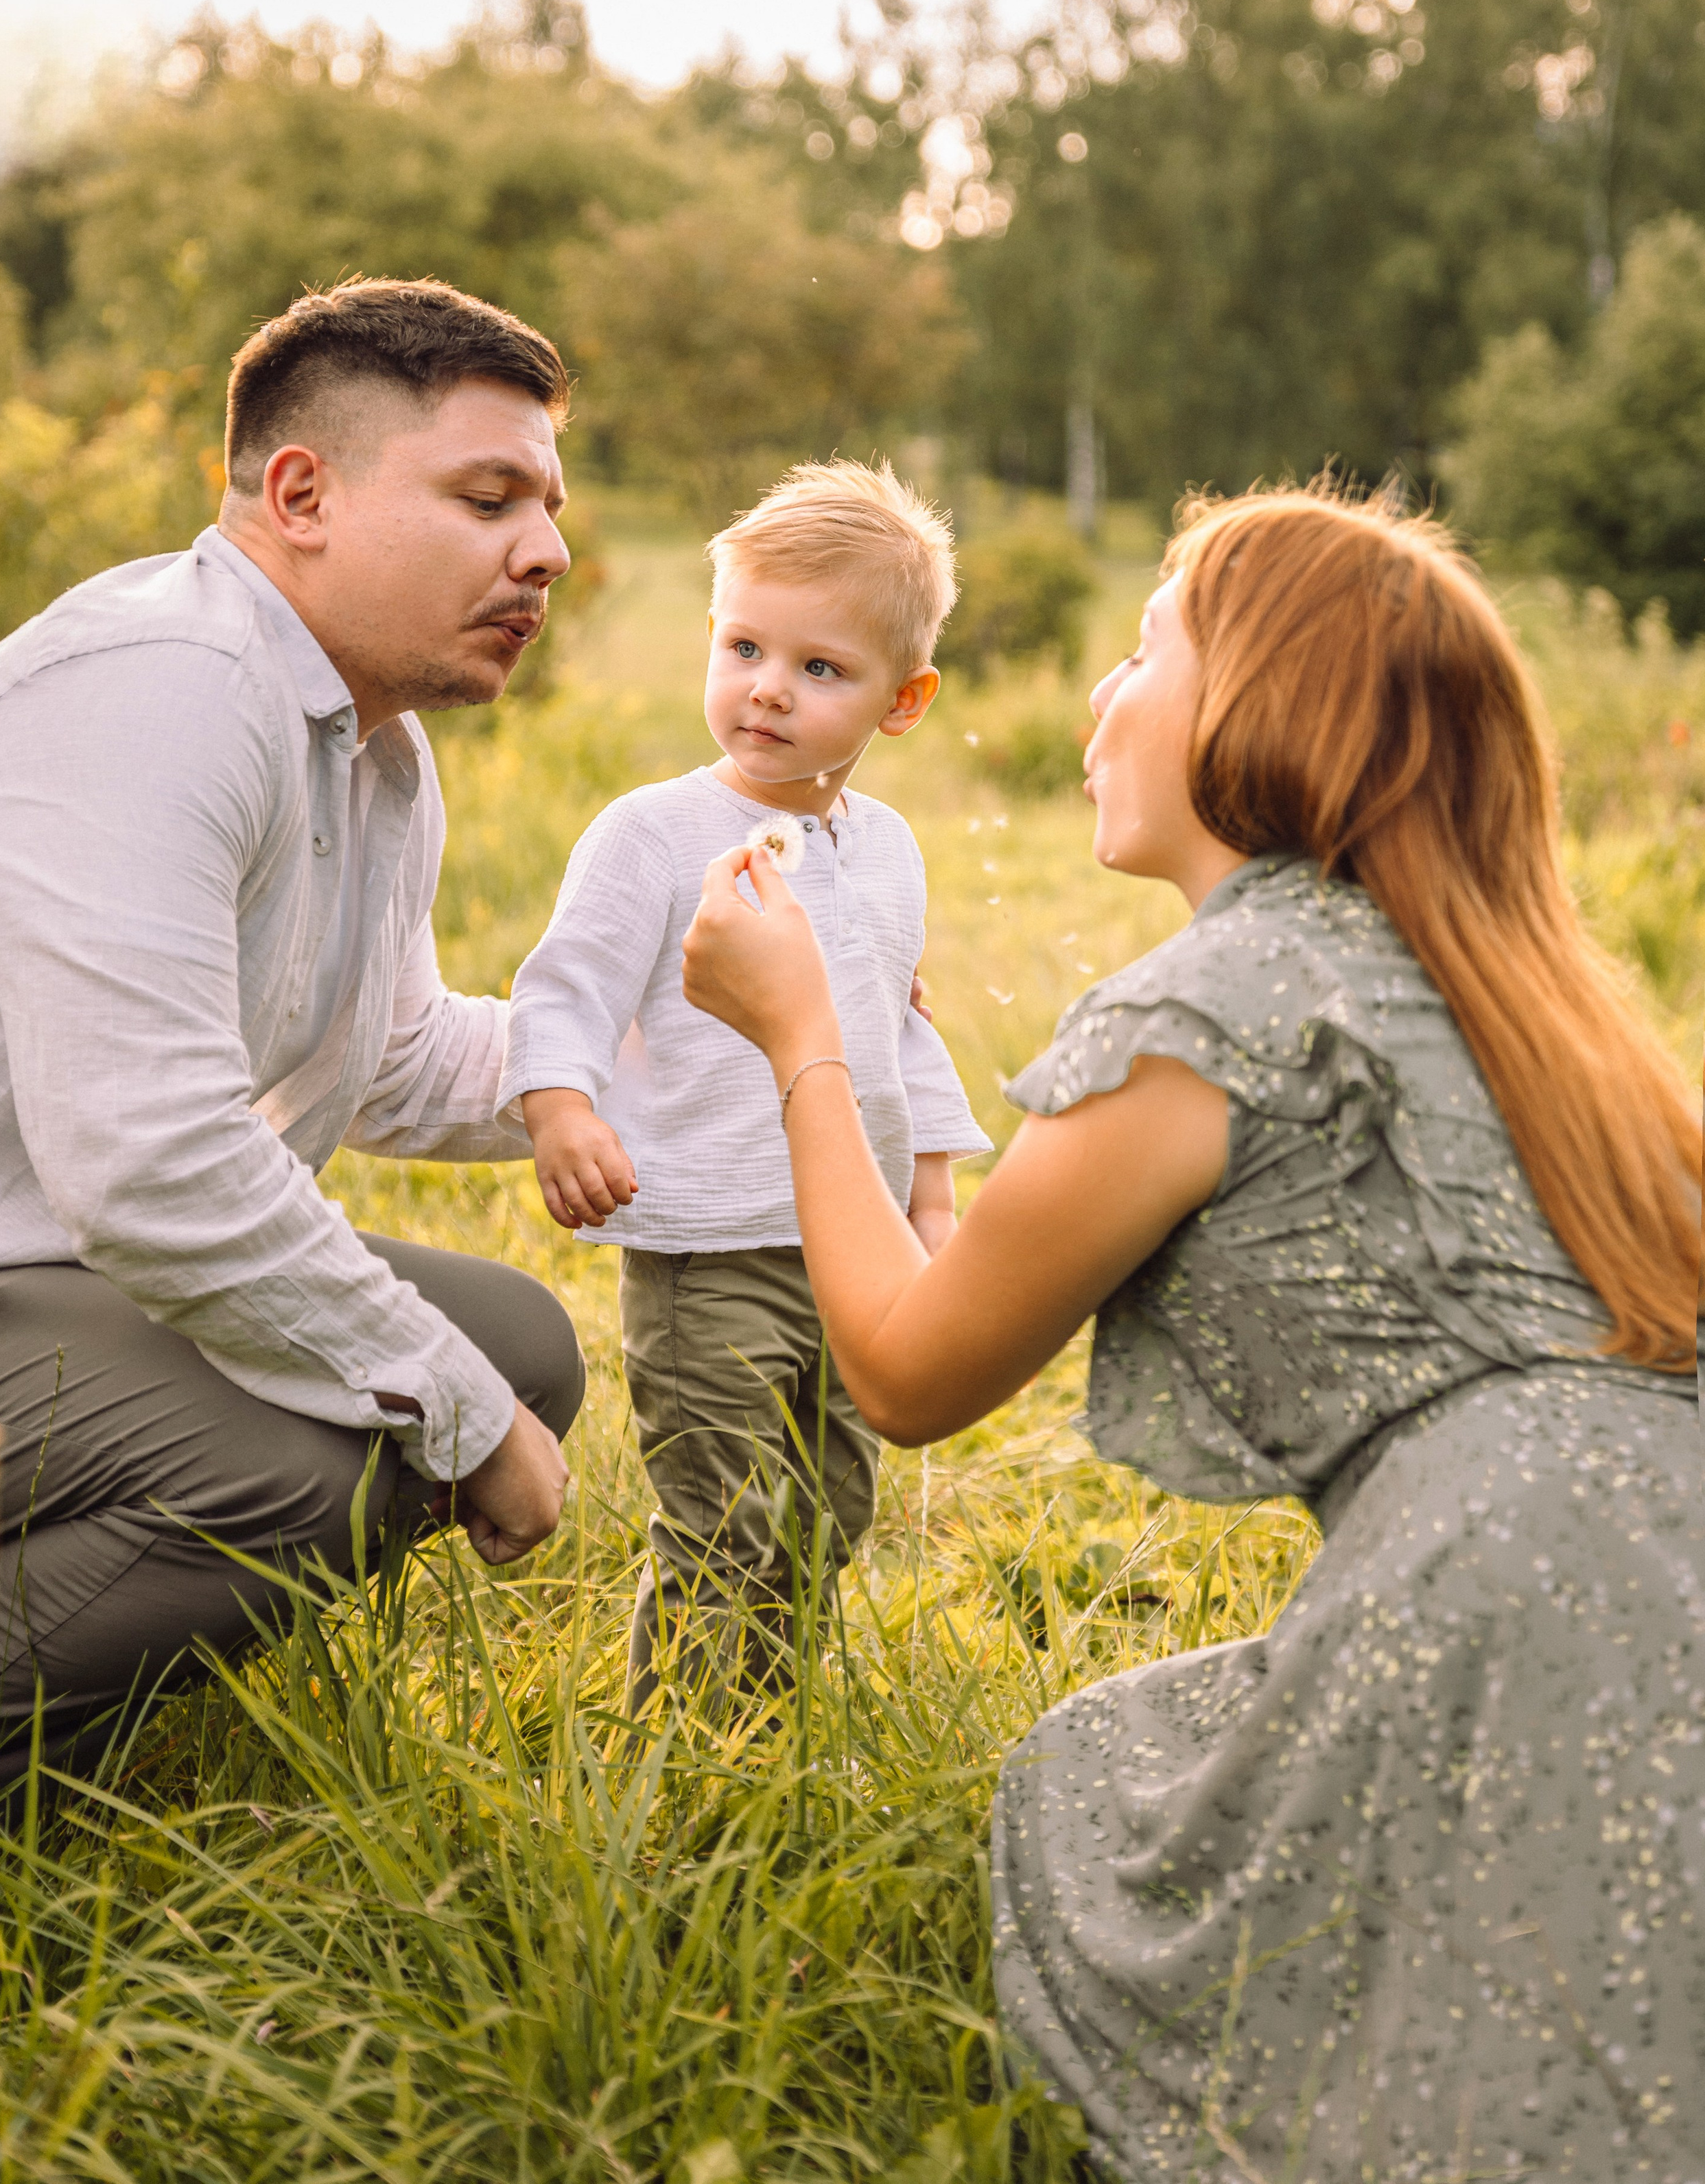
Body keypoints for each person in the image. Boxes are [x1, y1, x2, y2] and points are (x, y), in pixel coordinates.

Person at [679, 488, 1703, 2181]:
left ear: (1259, 705)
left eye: (1145, 648)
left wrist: (799, 1036)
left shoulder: (1201, 1016)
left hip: (1506, 1579)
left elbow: (905, 1371)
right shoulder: (1528, 1001)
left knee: (1101, 1814)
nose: (1099, 696)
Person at [0, 276, 584, 1785]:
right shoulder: (158, 692)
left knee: (519, 1343)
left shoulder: (369, 747)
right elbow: (155, 1164)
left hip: (39, 1283)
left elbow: (401, 1055)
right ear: (299, 491)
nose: (547, 552)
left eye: (549, 506)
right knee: (324, 1453)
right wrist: (460, 1415)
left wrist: (729, 1035)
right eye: (488, 495)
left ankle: (51, 1721)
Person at [501, 460, 989, 1709]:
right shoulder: (651, 834)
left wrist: (931, 1201)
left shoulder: (886, 852)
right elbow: (566, 990)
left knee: (829, 1504)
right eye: (744, 645)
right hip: (709, 1251)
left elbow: (901, 1033)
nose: (768, 687)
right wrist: (561, 1108)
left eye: (820, 669)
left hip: (854, 1254)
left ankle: (775, 1707)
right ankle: (685, 1741)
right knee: (722, 1513)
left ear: (904, 699)